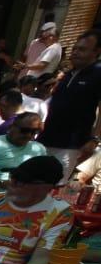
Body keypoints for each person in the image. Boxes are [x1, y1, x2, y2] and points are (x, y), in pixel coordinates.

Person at [37, 28, 101, 175]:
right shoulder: (70, 72)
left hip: (70, 144)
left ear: (96, 52)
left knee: (55, 183)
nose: (75, 52)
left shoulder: (98, 73)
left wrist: (94, 139)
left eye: (82, 49)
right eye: (75, 49)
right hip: (47, 137)